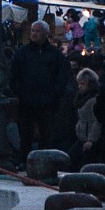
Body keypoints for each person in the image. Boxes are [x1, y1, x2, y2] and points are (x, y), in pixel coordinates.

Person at [11, 20, 74, 159]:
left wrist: (54, 94)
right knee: (25, 134)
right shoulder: (22, 53)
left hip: (47, 102)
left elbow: (62, 76)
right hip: (27, 101)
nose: (34, 34)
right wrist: (20, 92)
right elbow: (14, 75)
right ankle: (25, 160)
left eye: (38, 31)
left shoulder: (55, 55)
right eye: (33, 30)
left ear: (46, 34)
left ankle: (45, 161)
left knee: (47, 135)